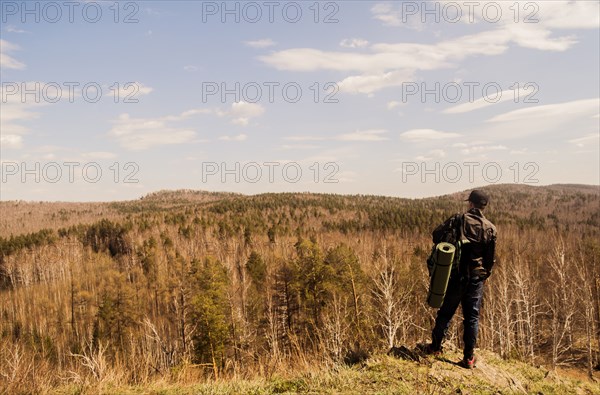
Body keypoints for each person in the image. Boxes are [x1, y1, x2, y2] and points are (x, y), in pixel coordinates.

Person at [425, 189, 497, 369]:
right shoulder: (490, 228)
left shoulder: (458, 220)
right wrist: (483, 276)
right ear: (484, 206)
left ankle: (435, 347)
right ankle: (469, 358)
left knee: (446, 313)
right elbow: (489, 260)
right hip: (476, 279)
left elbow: (436, 235)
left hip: (456, 275)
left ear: (471, 204)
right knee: (472, 318)